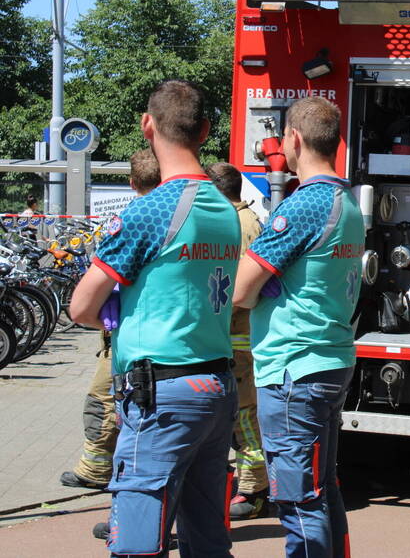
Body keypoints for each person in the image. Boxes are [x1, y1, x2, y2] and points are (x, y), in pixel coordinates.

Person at [69, 79, 240, 557]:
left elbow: (81, 307)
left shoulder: (150, 210)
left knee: (137, 544)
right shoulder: (224, 209)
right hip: (215, 387)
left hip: (161, 395)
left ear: (147, 125)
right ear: (205, 131)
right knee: (207, 538)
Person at [233, 96, 364, 558]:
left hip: (293, 368)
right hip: (327, 359)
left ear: (294, 139)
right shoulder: (345, 201)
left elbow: (241, 290)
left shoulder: (304, 205)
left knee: (297, 499)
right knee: (321, 490)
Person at [61, 148, 160, 493]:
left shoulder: (131, 218)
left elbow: (90, 296)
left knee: (103, 398)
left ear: (132, 183)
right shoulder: (186, 216)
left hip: (123, 335)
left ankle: (98, 470)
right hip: (163, 342)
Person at [205, 161, 269, 520]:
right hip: (235, 338)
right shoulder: (246, 219)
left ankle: (254, 489)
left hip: (236, 339)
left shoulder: (236, 224)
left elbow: (235, 289)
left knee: (244, 417)